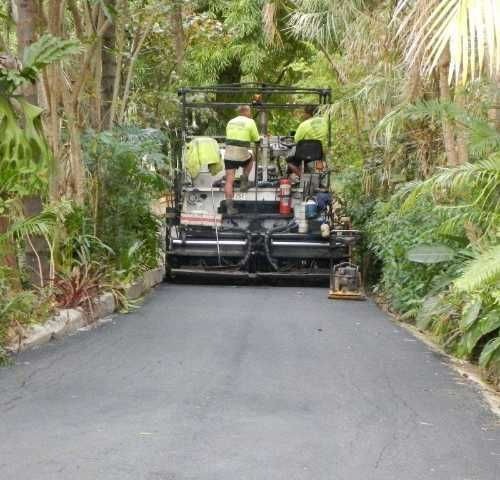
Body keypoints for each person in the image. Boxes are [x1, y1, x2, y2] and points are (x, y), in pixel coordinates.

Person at [224, 105, 260, 215]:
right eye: (250, 111)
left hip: (229, 153)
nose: (251, 113)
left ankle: (230, 208)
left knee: (229, 180)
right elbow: (256, 139)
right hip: (241, 152)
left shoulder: (230, 122)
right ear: (246, 112)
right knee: (252, 157)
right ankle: (244, 181)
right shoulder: (250, 122)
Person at [287, 105, 328, 179]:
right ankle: (320, 179)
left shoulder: (304, 125)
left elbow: (296, 139)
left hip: (304, 154)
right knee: (320, 165)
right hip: (319, 153)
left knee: (289, 161)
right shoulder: (324, 122)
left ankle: (303, 177)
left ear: (308, 113)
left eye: (304, 113)